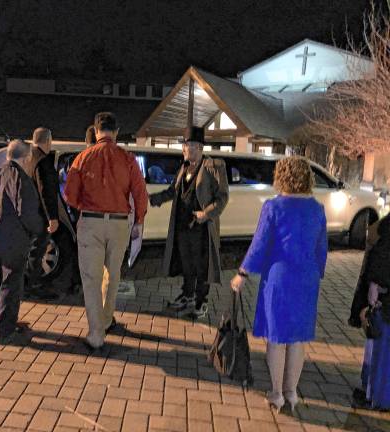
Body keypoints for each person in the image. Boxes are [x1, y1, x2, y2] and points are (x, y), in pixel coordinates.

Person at [230, 156, 328, 414]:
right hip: (306, 279)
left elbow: (260, 244)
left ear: (281, 176)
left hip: (279, 278)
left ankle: (276, 393)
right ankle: (292, 392)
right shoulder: (317, 209)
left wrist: (242, 273)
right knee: (297, 340)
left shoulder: (273, 207)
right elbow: (321, 249)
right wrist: (316, 272)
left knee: (277, 338)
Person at [65, 112, 148, 349]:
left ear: (96, 130)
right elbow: (140, 193)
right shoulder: (127, 158)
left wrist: (85, 206)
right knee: (113, 274)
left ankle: (96, 334)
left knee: (91, 278)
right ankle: (107, 318)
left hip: (91, 221)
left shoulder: (83, 157)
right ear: (116, 131)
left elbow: (69, 195)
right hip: (119, 223)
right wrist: (138, 221)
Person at [149, 127, 228, 318]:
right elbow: (172, 191)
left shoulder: (214, 166)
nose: (187, 149)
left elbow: (222, 197)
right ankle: (187, 295)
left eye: (191, 146)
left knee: (203, 265)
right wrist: (151, 199)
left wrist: (207, 214)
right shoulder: (184, 168)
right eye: (185, 146)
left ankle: (202, 301)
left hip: (202, 228)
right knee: (187, 264)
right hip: (183, 226)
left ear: (200, 148)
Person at [0, 139, 45, 345]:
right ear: (27, 157)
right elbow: (27, 213)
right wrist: (38, 231)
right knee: (11, 286)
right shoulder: (21, 179)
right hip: (13, 242)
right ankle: (5, 331)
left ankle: (2, 320)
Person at [349, 214, 390, 411]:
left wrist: (376, 284)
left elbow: (384, 255)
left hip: (386, 302)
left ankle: (377, 398)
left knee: (382, 352)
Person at [25, 127, 61, 300]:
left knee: (31, 251)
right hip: (40, 215)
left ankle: (28, 283)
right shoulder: (43, 161)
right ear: (47, 141)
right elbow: (46, 191)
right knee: (37, 251)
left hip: (27, 213)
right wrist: (52, 217)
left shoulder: (27, 158)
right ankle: (32, 286)